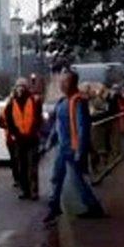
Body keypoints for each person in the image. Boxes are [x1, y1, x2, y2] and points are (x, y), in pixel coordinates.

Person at [44, 69, 107, 223]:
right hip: (63, 147)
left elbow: (82, 127)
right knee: (57, 178)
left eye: (65, 82)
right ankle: (54, 207)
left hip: (72, 148)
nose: (62, 85)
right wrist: (50, 142)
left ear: (73, 83)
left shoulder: (78, 101)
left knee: (76, 180)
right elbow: (57, 126)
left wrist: (80, 150)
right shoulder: (63, 102)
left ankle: (93, 207)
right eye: (61, 82)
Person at [0, 78, 43, 199]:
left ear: (26, 87)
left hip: (32, 138)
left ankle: (34, 191)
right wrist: (14, 134)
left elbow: (38, 118)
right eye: (18, 86)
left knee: (32, 166)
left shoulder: (34, 100)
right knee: (22, 166)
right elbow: (8, 120)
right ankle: (26, 191)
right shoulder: (11, 103)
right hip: (19, 140)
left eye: (23, 86)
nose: (20, 88)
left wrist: (35, 131)